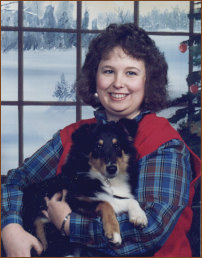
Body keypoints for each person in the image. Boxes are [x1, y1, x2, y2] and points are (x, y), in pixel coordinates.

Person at [1, 23, 200, 257]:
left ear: (148, 82)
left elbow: (151, 230)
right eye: (108, 71)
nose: (118, 82)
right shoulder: (73, 135)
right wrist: (10, 227)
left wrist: (66, 222)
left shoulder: (164, 142)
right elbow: (16, 180)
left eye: (131, 73)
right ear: (94, 78)